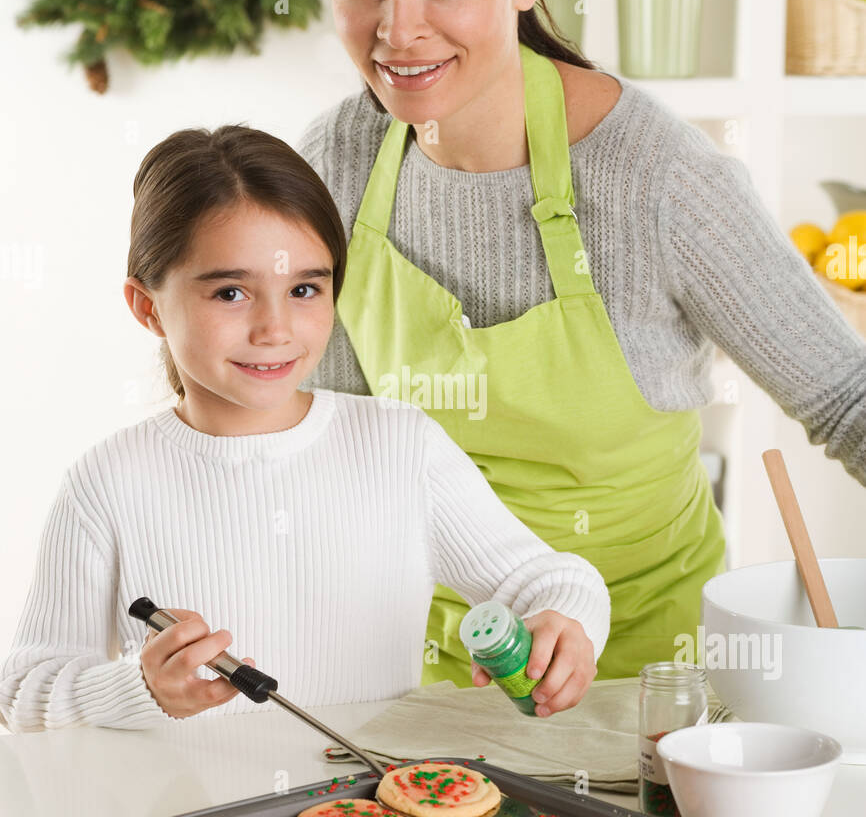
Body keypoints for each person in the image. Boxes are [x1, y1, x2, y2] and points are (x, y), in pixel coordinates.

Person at [295, 0, 866, 686]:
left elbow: (848, 401)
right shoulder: (335, 163)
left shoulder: (658, 181)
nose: (396, 31)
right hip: (415, 677)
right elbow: (324, 442)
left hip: (649, 689)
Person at [0, 126, 610, 732]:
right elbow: (23, 690)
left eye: (303, 289)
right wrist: (140, 687)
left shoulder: (399, 445)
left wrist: (564, 621)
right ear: (148, 306)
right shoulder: (105, 482)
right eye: (232, 292)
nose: (275, 329)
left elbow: (545, 578)